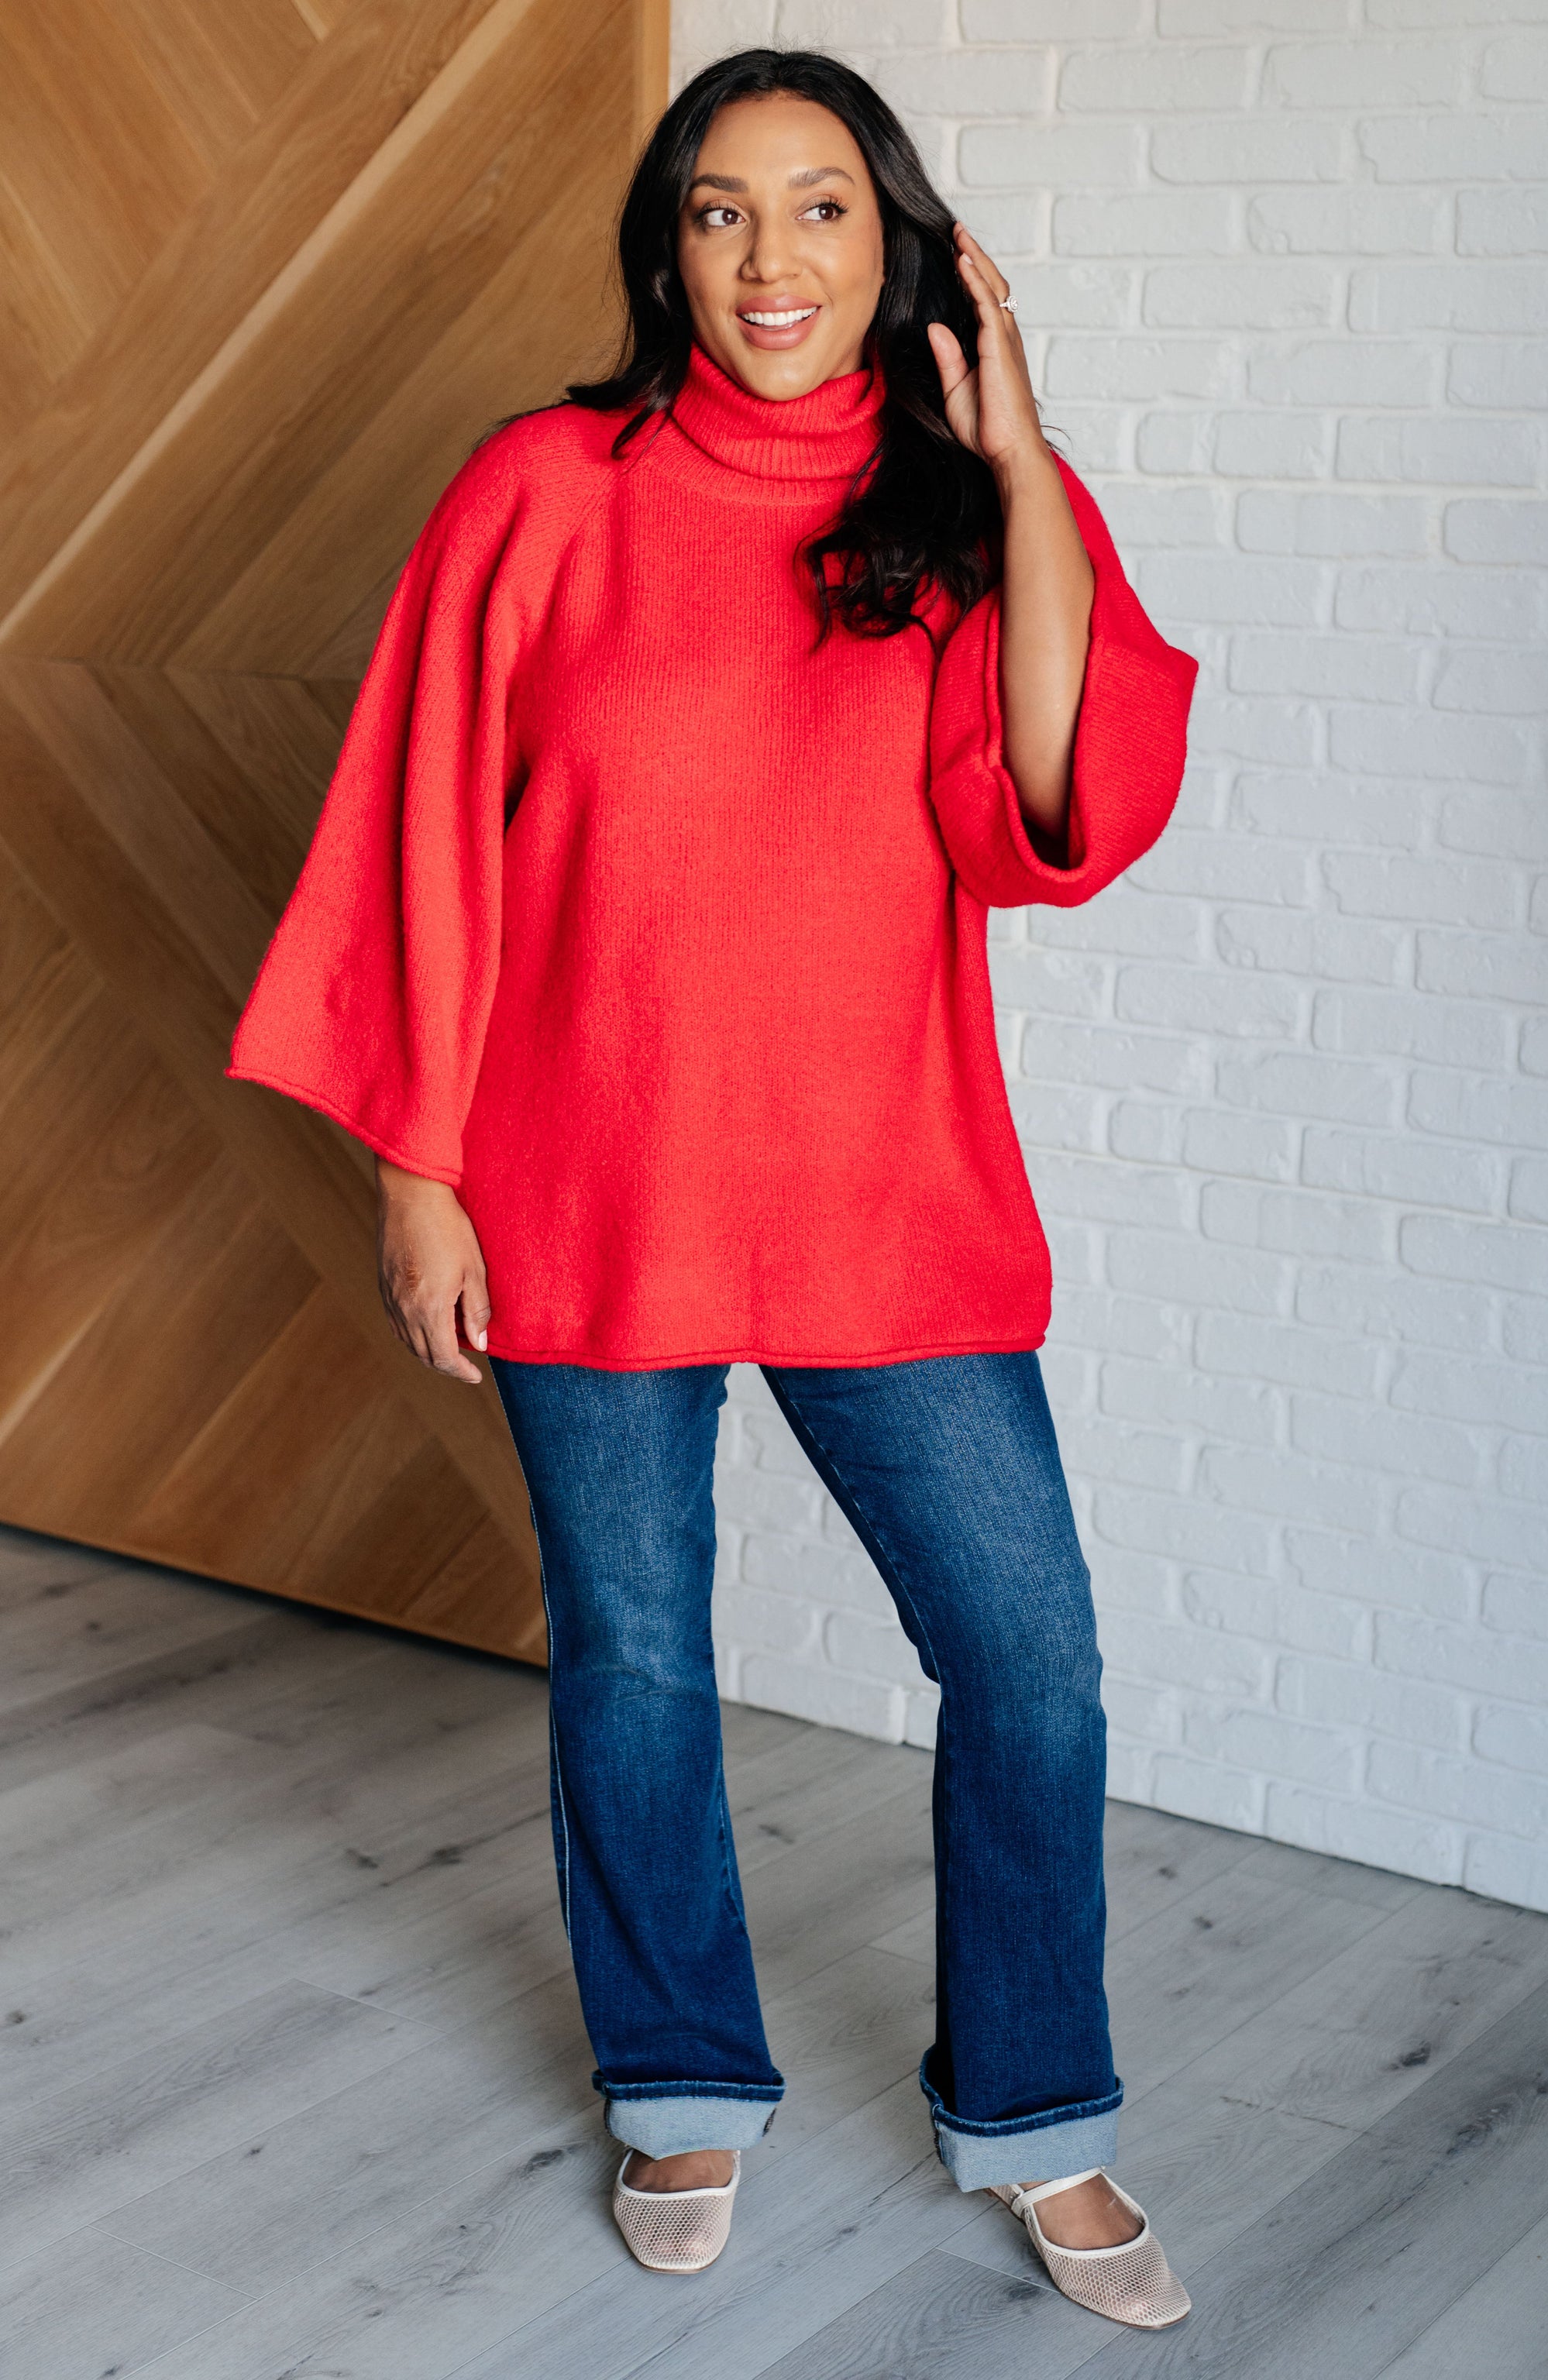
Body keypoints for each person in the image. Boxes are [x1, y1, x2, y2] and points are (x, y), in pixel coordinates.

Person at [227, 47, 1197, 2334]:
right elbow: (419, 827)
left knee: (1032, 1660)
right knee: (637, 1658)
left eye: (823, 206)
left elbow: (1052, 813)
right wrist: (417, 1173)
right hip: (580, 1181)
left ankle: (1037, 2114)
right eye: (721, 209)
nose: (773, 257)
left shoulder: (971, 506)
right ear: (667, 250)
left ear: (903, 245)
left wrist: (1021, 463)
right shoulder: (544, 489)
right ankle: (677, 2075)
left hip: (883, 1186)